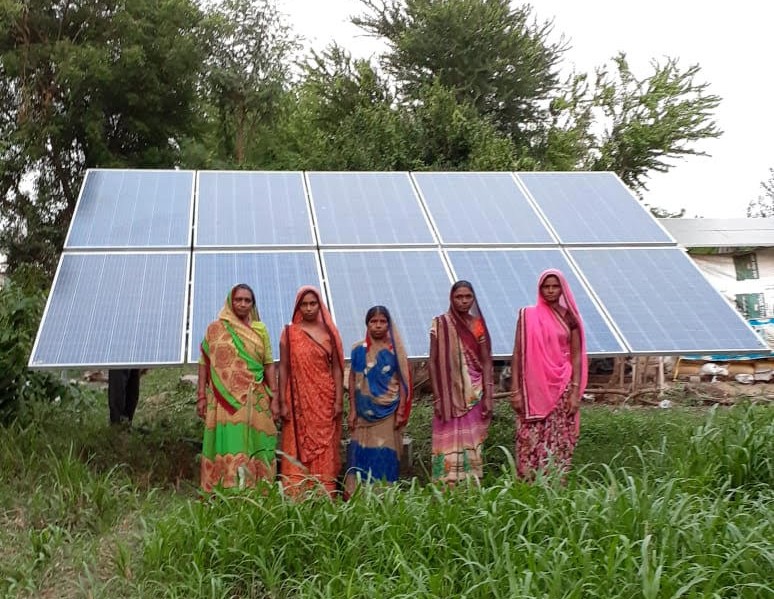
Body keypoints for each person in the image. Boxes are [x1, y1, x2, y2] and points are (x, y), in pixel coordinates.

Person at [197, 284, 280, 492]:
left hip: (256, 396)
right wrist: (201, 396)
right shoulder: (215, 329)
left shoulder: (260, 329)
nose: (242, 304)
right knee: (230, 442)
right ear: (230, 302)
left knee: (260, 440)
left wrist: (275, 396)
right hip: (224, 400)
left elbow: (268, 364)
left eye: (247, 300)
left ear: (253, 304)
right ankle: (226, 488)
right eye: (238, 300)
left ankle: (259, 489)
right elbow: (204, 363)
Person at [510, 269, 587, 480]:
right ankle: (529, 484)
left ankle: (555, 483)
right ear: (540, 289)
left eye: (555, 286)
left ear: (562, 289)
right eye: (546, 286)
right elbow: (518, 353)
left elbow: (576, 356)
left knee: (559, 436)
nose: (550, 290)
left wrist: (575, 393)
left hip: (562, 386)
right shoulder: (527, 316)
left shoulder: (570, 318)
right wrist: (515, 390)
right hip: (533, 388)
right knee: (529, 437)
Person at [278, 286, 344, 497]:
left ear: (319, 305)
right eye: (304, 304)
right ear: (298, 307)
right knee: (295, 442)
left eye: (312, 304)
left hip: (324, 398)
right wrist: (281, 401)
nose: (308, 308)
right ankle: (297, 494)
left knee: (325, 445)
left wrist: (339, 400)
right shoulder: (289, 333)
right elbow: (284, 368)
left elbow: (337, 368)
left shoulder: (329, 333)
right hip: (297, 400)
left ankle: (324, 493)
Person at [429, 280, 494, 484]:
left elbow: (486, 361)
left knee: (471, 441)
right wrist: (438, 397)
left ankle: (470, 485)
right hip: (448, 396)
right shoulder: (440, 324)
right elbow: (432, 361)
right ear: (451, 298)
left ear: (473, 299)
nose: (464, 301)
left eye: (468, 297)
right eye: (459, 297)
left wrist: (489, 395)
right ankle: (445, 485)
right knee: (446, 440)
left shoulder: (477, 325)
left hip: (474, 393)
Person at [344, 306, 412, 498]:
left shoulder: (395, 351)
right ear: (367, 324)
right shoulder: (358, 349)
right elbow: (353, 379)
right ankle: (358, 498)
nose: (378, 325)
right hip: (362, 415)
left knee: (384, 454)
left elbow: (404, 381)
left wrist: (401, 411)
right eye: (374, 321)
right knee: (361, 455)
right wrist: (352, 410)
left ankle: (384, 497)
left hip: (388, 412)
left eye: (382, 321)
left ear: (388, 324)